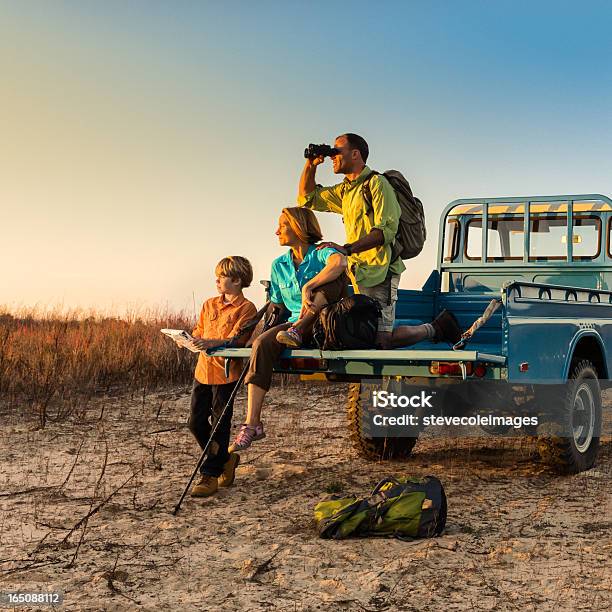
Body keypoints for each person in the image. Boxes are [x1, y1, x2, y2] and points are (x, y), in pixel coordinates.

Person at [298, 132, 461, 348]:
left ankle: (436, 328)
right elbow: (307, 198)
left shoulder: (377, 184)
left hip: (380, 271)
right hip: (358, 272)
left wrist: (347, 249)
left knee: (381, 340)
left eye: (337, 151)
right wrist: (311, 164)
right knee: (364, 334)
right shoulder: (346, 191)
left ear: (355, 154)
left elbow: (385, 232)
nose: (332, 157)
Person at [229, 207, 348, 452]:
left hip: (327, 324)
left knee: (332, 281)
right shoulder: (279, 265)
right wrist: (256, 331)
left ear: (299, 226)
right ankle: (252, 424)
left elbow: (340, 262)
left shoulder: (322, 252)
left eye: (282, 225)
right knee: (262, 344)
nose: (277, 231)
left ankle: (299, 329)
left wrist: (309, 286)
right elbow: (278, 305)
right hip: (292, 325)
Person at [175, 256, 257, 498]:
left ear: (237, 280)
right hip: (203, 370)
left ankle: (209, 475)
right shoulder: (209, 304)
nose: (217, 280)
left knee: (220, 425)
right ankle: (225, 459)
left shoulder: (247, 308)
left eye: (221, 277)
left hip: (226, 372)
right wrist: (187, 340)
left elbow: (238, 340)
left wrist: (213, 342)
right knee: (195, 422)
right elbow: (200, 330)